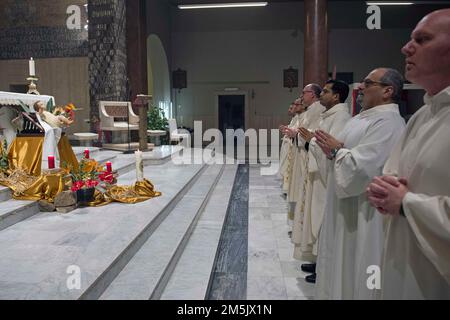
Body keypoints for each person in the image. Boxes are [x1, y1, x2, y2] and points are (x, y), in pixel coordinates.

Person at [367, 9, 450, 299]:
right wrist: (382, 189)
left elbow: (403, 197)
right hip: (402, 260)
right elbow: (394, 173)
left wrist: (406, 204)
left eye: (422, 39)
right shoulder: (424, 114)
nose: (406, 47)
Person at [314, 68, 406, 299]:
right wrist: (333, 151)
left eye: (368, 83)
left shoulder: (389, 122)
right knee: (340, 260)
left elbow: (365, 168)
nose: (361, 88)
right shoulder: (362, 118)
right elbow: (341, 153)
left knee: (356, 263)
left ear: (388, 90)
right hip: (343, 204)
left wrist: (336, 150)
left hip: (363, 210)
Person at [293, 80, 351, 283]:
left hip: (325, 174)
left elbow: (332, 145)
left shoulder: (341, 116)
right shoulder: (329, 114)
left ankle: (324, 265)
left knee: (321, 217)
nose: (321, 95)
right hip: (317, 170)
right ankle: (318, 259)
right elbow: (320, 140)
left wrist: (311, 140)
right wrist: (309, 140)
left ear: (336, 96)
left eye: (325, 91)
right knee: (316, 216)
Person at [284, 85, 324, 235]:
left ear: (312, 94)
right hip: (301, 152)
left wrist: (297, 134)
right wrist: (294, 133)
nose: (301, 96)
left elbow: (311, 133)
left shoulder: (317, 109)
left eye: (303, 93)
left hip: (308, 155)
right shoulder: (312, 110)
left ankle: (303, 228)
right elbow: (303, 131)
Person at [280, 99, 306, 228]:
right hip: (292, 148)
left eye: (296, 104)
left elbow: (303, 134)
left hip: (300, 154)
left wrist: (293, 133)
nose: (293, 107)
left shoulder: (307, 116)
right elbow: (295, 131)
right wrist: (288, 130)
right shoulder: (298, 117)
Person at [279, 103, 299, 191]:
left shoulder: (300, 117)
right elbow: (292, 129)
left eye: (291, 108)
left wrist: (288, 130)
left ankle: (288, 188)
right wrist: (286, 128)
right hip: (289, 144)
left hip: (294, 145)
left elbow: (297, 131)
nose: (289, 110)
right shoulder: (295, 118)